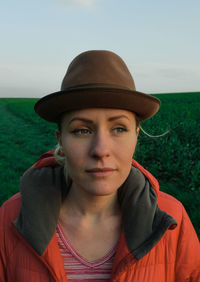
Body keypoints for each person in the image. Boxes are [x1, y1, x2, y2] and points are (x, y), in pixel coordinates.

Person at [0, 50, 199, 282]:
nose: (101, 150)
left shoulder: (171, 220)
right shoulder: (10, 220)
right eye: (82, 130)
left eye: (119, 129)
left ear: (136, 136)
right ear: (61, 140)